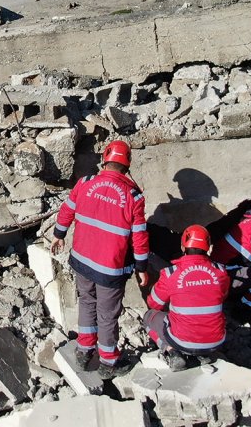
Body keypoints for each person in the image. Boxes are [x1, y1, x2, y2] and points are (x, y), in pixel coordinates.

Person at [50, 139, 151, 379]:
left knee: (86, 301)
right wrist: (142, 267)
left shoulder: (85, 183)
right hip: (110, 268)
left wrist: (58, 235)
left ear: (105, 159)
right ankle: (108, 361)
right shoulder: (133, 197)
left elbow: (67, 210)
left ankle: (84, 351)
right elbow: (139, 238)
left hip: (82, 261)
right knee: (107, 314)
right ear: (127, 165)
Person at [143, 224, 228, 371]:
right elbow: (223, 296)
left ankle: (171, 351)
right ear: (208, 247)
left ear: (183, 247)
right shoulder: (220, 271)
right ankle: (203, 354)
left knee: (148, 317)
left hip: (181, 340)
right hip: (216, 341)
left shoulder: (171, 273)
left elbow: (154, 304)